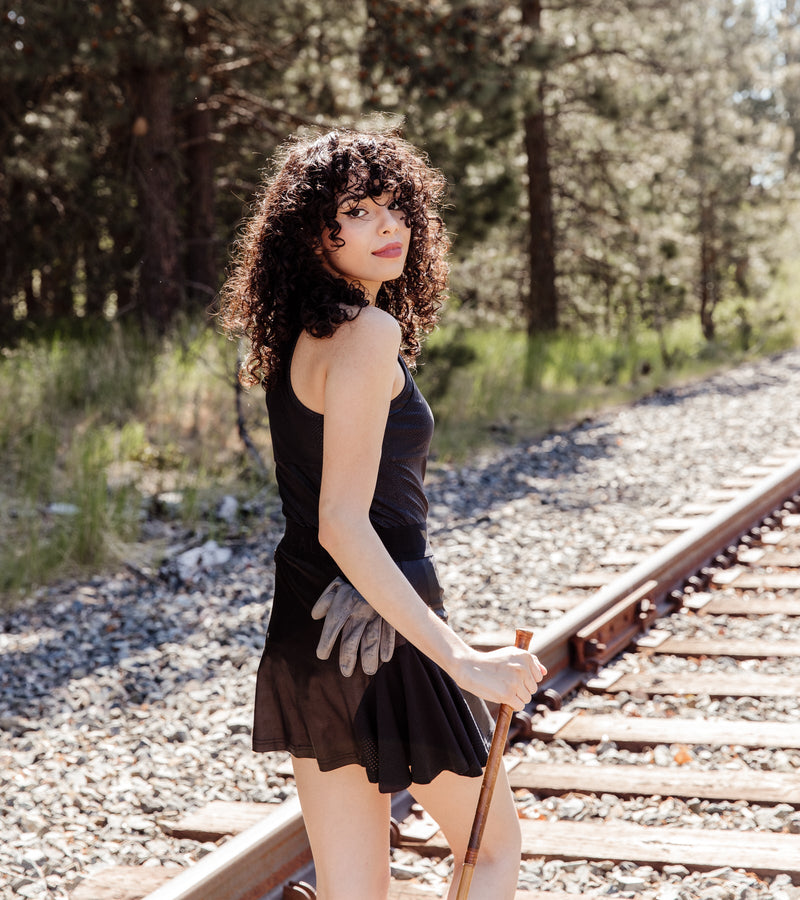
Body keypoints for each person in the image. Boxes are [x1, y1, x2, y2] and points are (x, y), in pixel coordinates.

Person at [219, 129, 547, 900]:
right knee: (490, 853)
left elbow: (320, 523)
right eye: (358, 210)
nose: (389, 225)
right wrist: (462, 658)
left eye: (397, 206)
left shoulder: (307, 339)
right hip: (377, 626)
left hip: (311, 620)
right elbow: (343, 519)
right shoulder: (368, 333)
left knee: (356, 891)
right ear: (312, 232)